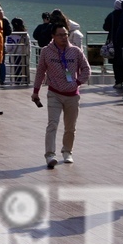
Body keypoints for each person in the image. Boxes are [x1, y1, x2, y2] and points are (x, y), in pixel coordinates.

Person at [31, 22, 89, 168]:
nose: (64, 37)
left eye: (66, 34)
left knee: (70, 127)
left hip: (72, 95)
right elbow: (40, 71)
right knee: (52, 124)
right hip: (54, 93)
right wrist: (36, 91)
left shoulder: (75, 51)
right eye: (60, 35)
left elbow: (86, 69)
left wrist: (77, 83)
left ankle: (67, 151)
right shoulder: (46, 51)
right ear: (53, 36)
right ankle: (50, 155)